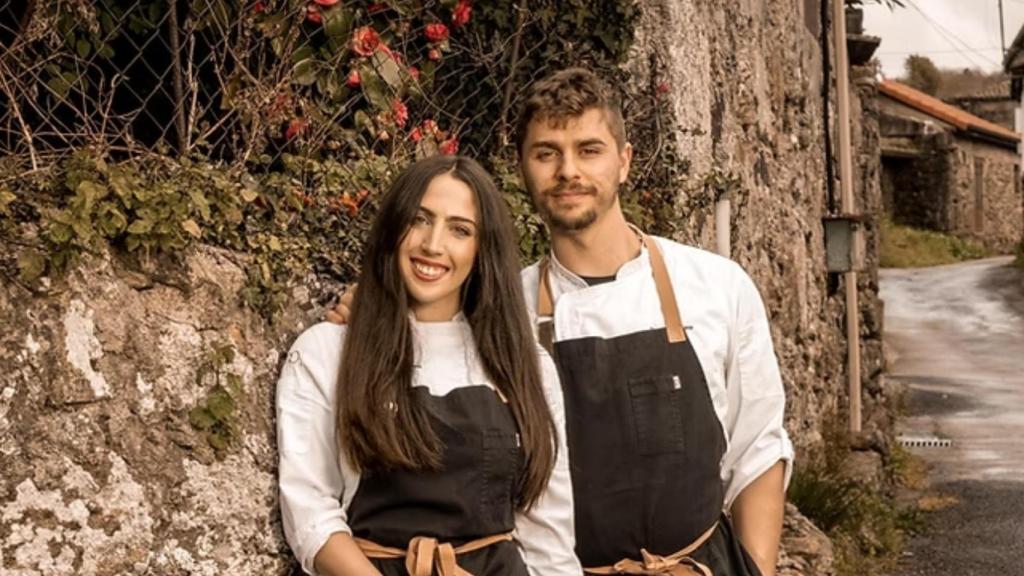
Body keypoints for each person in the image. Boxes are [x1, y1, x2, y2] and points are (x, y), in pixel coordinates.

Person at [330, 68, 793, 576]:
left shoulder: (717, 287)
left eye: (589, 150)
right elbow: (422, 328)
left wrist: (758, 571)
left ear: (624, 161)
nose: (568, 170)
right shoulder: (499, 315)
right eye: (546, 153)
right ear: (522, 170)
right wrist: (373, 306)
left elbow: (757, 450)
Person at [277, 155, 580, 576]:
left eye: (460, 230)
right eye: (419, 220)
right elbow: (310, 514)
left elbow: (549, 541)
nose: (433, 245)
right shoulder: (326, 352)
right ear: (393, 228)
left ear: (482, 249)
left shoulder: (526, 366)